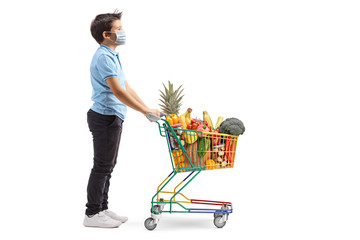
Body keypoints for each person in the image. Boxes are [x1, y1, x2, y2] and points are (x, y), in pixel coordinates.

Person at [84, 11, 160, 228]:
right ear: (107, 34)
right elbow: (118, 92)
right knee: (102, 166)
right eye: (119, 29)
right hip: (104, 117)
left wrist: (146, 108)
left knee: (108, 165)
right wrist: (144, 112)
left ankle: (102, 208)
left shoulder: (112, 55)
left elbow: (127, 87)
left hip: (112, 116)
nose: (123, 32)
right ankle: (92, 214)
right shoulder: (104, 57)